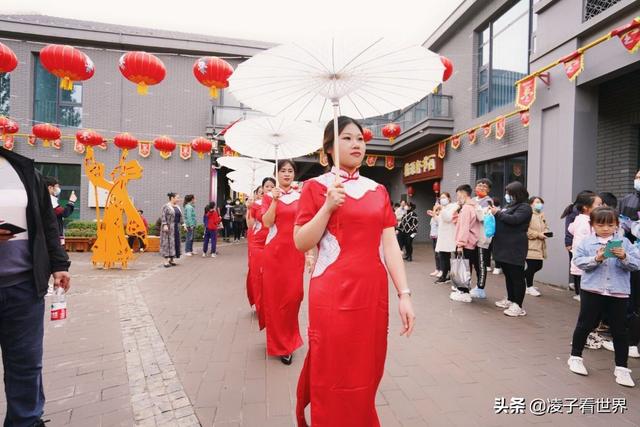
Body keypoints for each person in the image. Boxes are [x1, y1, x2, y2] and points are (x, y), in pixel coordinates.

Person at [294, 116, 414, 427]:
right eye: (347, 138)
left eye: (360, 138)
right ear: (329, 149)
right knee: (332, 365)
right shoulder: (314, 188)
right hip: (332, 292)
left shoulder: (378, 190)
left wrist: (404, 294)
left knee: (367, 363)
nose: (356, 144)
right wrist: (327, 207)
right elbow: (300, 241)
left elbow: (390, 246)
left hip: (372, 292)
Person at [0, 147, 71, 427]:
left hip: (24, 286)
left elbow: (46, 223)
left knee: (26, 363)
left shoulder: (23, 169)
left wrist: (59, 264)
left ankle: (25, 421)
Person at [568, 207, 640, 387]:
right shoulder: (586, 243)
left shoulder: (624, 243)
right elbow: (577, 261)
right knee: (585, 324)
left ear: (617, 225)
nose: (606, 228)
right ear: (593, 225)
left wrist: (624, 257)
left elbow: (636, 264)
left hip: (618, 292)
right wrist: (596, 259)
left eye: (610, 224)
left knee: (620, 330)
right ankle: (575, 357)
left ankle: (622, 368)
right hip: (592, 290)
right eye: (601, 224)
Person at [261, 159, 305, 365]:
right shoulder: (269, 197)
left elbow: (306, 225)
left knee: (294, 297)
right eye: (283, 170)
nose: (287, 174)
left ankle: (289, 337)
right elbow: (267, 222)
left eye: (290, 171)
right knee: (276, 299)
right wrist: (275, 200)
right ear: (277, 174)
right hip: (274, 254)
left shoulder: (301, 197)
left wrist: (311, 253)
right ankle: (282, 345)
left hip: (295, 253)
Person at [490, 181, 533, 317]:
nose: (507, 196)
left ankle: (518, 305)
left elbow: (514, 220)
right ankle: (510, 299)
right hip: (504, 246)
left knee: (517, 276)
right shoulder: (510, 206)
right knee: (508, 275)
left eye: (509, 193)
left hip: (515, 247)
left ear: (517, 194)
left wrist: (497, 213)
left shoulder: (525, 207)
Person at [246, 178, 276, 331]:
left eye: (272, 186)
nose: (269, 188)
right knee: (258, 276)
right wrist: (248, 209)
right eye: (267, 186)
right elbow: (250, 226)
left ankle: (270, 306)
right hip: (258, 244)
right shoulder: (256, 205)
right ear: (262, 189)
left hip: (273, 243)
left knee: (271, 278)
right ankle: (260, 306)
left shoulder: (279, 202)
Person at [568, 192, 603, 301]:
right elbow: (589, 239)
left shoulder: (578, 219)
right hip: (586, 256)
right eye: (599, 205)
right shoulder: (586, 222)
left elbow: (571, 229)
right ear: (586, 208)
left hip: (579, 254)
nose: (601, 207)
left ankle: (581, 295)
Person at [450, 184, 480, 303]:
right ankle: (462, 290)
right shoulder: (470, 207)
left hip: (466, 242)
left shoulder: (467, 208)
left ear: (463, 193)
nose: (457, 198)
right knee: (465, 266)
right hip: (470, 242)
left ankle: (464, 293)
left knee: (463, 267)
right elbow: (457, 222)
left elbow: (464, 227)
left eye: (458, 195)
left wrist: (460, 244)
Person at [469, 178, 493, 299]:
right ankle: (475, 285)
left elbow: (484, 218)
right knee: (474, 262)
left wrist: (476, 207)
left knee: (481, 263)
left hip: (482, 238)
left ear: (488, 189)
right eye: (479, 185)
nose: (481, 188)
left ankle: (480, 287)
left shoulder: (489, 201)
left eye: (485, 186)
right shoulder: (472, 200)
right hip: (472, 237)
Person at [561, 192, 589, 290]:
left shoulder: (579, 210)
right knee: (577, 267)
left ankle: (577, 288)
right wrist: (568, 242)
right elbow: (569, 228)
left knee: (577, 266)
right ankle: (578, 290)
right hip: (574, 244)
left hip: (576, 243)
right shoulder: (575, 211)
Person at [525, 197, 550, 297]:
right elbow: (526, 230)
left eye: (541, 202)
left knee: (538, 266)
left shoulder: (541, 215)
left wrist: (546, 232)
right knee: (532, 266)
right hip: (531, 245)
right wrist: (538, 234)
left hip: (540, 245)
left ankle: (526, 280)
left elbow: (546, 226)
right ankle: (529, 286)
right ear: (531, 204)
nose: (540, 204)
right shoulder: (528, 215)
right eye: (537, 202)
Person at [44, 176, 77, 245]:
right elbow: (64, 213)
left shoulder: (45, 198)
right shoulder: (50, 200)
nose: (58, 189)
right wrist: (71, 201)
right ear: (50, 188)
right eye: (56, 187)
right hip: (52, 237)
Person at [434, 192, 457, 284]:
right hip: (443, 235)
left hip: (450, 235)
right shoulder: (443, 208)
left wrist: (441, 210)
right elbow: (440, 221)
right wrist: (434, 215)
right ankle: (444, 275)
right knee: (443, 256)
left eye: (444, 197)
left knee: (450, 256)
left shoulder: (453, 206)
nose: (442, 199)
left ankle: (451, 275)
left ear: (449, 198)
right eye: (441, 198)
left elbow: (448, 218)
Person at [160, 192, 185, 268]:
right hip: (168, 227)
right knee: (167, 243)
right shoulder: (166, 206)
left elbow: (180, 217)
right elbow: (163, 216)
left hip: (176, 227)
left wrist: (183, 224)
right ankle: (166, 260)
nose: (178, 199)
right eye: (177, 197)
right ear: (172, 198)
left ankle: (172, 259)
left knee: (175, 242)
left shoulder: (177, 207)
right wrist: (164, 225)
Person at [427, 201, 442, 277]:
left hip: (438, 237)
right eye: (435, 210)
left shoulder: (439, 218)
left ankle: (441, 270)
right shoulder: (433, 218)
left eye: (437, 210)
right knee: (436, 254)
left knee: (439, 255)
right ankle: (437, 269)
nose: (435, 211)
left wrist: (435, 214)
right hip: (433, 237)